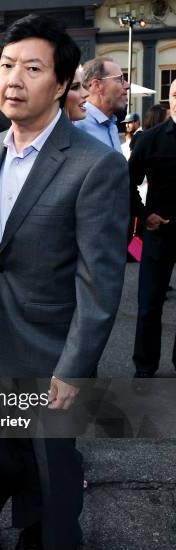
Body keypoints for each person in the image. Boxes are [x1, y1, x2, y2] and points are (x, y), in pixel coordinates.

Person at [0, 14, 129, 550]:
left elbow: (100, 285)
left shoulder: (95, 165)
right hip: (0, 338)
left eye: (33, 68)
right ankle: (28, 527)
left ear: (59, 85)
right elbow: (2, 243)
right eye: (8, 65)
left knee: (56, 465)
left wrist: (74, 367)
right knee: (18, 454)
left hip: (55, 351)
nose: (14, 79)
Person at [129, 79, 176, 378]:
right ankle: (144, 367)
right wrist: (144, 215)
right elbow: (126, 182)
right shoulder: (151, 139)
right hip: (159, 235)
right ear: (169, 98)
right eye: (175, 94)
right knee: (149, 304)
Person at [75, 57, 130, 150]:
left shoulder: (111, 125)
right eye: (120, 79)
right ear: (97, 85)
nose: (127, 86)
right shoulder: (78, 127)